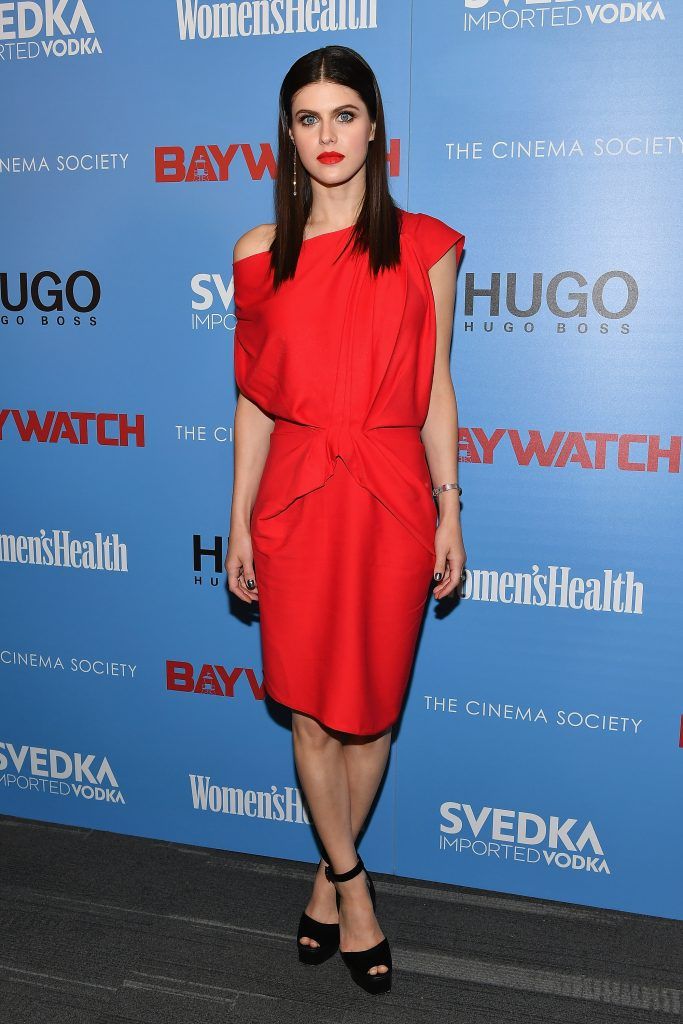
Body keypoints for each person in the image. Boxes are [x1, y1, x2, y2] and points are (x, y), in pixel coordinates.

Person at [226, 44, 466, 995]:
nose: (327, 136)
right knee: (312, 719)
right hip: (294, 496)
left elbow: (438, 386)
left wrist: (449, 507)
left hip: (392, 494)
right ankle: (353, 887)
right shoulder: (257, 253)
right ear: (287, 136)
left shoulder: (427, 246)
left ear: (376, 125)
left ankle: (324, 878)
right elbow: (251, 401)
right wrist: (238, 520)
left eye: (344, 115)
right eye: (307, 118)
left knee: (369, 719)